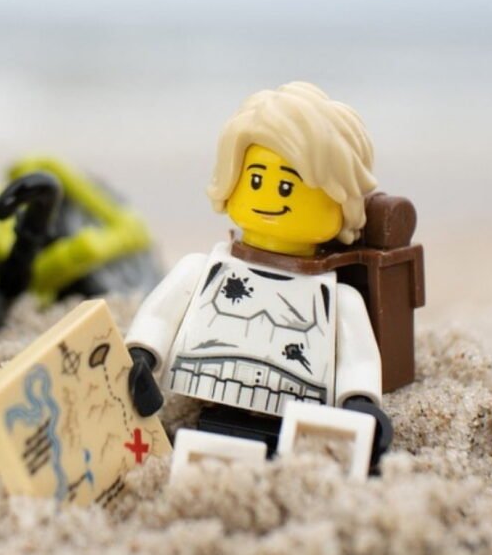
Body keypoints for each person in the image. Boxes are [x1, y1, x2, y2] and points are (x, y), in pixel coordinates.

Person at [126, 81, 392, 462]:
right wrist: (142, 356)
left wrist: (361, 402)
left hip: (293, 409)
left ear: (341, 200)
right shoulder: (202, 270)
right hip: (212, 392)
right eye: (255, 179)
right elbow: (159, 316)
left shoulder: (336, 298)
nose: (269, 196)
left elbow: (358, 358)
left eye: (287, 186)